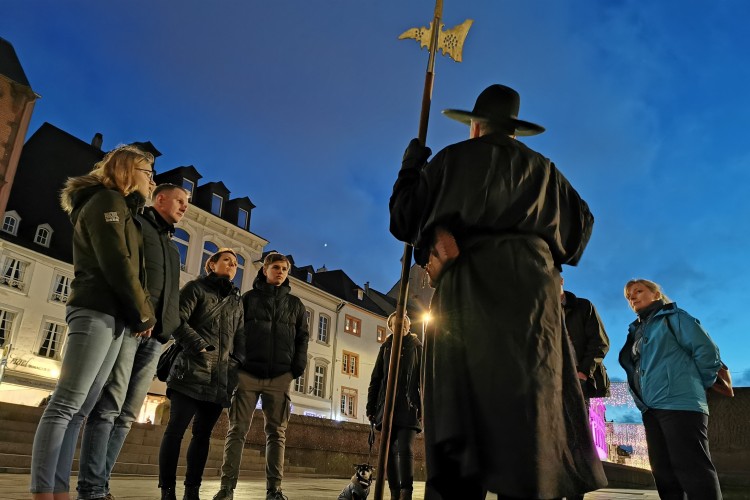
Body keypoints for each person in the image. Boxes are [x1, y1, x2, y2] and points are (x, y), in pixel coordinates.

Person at [389, 84, 607, 499]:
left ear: (475, 126)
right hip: (532, 299)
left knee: (461, 403)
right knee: (527, 412)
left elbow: (403, 218)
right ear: (514, 131)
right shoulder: (546, 170)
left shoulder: (453, 160)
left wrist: (411, 166)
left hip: (470, 287)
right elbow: (582, 230)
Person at [31, 145, 157, 500]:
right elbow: (116, 261)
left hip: (115, 314)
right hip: (97, 308)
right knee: (67, 403)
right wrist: (144, 312)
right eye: (147, 173)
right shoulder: (106, 201)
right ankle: (44, 490)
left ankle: (58, 489)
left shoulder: (122, 209)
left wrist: (135, 311)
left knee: (82, 408)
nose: (152, 181)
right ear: (126, 170)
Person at [76, 184, 189, 500]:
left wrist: (167, 328)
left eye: (187, 203)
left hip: (155, 338)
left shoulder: (171, 247)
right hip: (131, 328)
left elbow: (169, 296)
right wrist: (138, 315)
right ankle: (90, 488)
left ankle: (101, 484)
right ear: (161, 199)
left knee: (127, 415)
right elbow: (126, 273)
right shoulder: (137, 224)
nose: (184, 207)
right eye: (180, 201)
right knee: (108, 407)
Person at [212, 252, 309, 500]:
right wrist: (237, 362)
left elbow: (302, 338)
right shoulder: (248, 299)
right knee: (237, 430)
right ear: (265, 269)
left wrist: (296, 367)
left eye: (285, 269)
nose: (280, 272)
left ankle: (274, 490)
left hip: (280, 376)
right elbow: (235, 332)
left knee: (277, 434)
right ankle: (226, 489)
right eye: (276, 267)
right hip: (247, 374)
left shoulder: (296, 305)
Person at [620, 279, 723, 499]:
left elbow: (707, 353)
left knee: (693, 469)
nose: (633, 298)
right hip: (650, 408)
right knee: (663, 472)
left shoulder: (675, 317)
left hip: (680, 403)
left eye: (638, 291)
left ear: (656, 294)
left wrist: (690, 386)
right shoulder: (637, 330)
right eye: (629, 296)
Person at [158, 249, 244, 500]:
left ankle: (192, 491)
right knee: (175, 431)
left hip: (219, 378)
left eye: (235, 263)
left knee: (202, 436)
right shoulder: (196, 288)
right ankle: (167, 490)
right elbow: (175, 320)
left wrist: (236, 362)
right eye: (227, 260)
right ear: (211, 264)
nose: (232, 265)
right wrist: (199, 345)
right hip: (190, 371)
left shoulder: (236, 301)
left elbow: (240, 336)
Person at [366, 313, 422, 500]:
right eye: (396, 323)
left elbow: (423, 379)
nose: (401, 326)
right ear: (390, 326)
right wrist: (371, 408)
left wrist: (422, 406)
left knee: (405, 448)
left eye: (404, 322)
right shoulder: (386, 347)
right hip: (386, 407)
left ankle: (406, 492)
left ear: (409, 324)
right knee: (387, 451)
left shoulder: (416, 347)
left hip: (408, 405)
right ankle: (394, 494)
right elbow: (376, 379)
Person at [561, 278, 611, 403]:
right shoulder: (541, 312)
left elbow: (599, 342)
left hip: (579, 376)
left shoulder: (583, 306)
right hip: (552, 378)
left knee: (579, 420)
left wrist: (583, 372)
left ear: (561, 280)